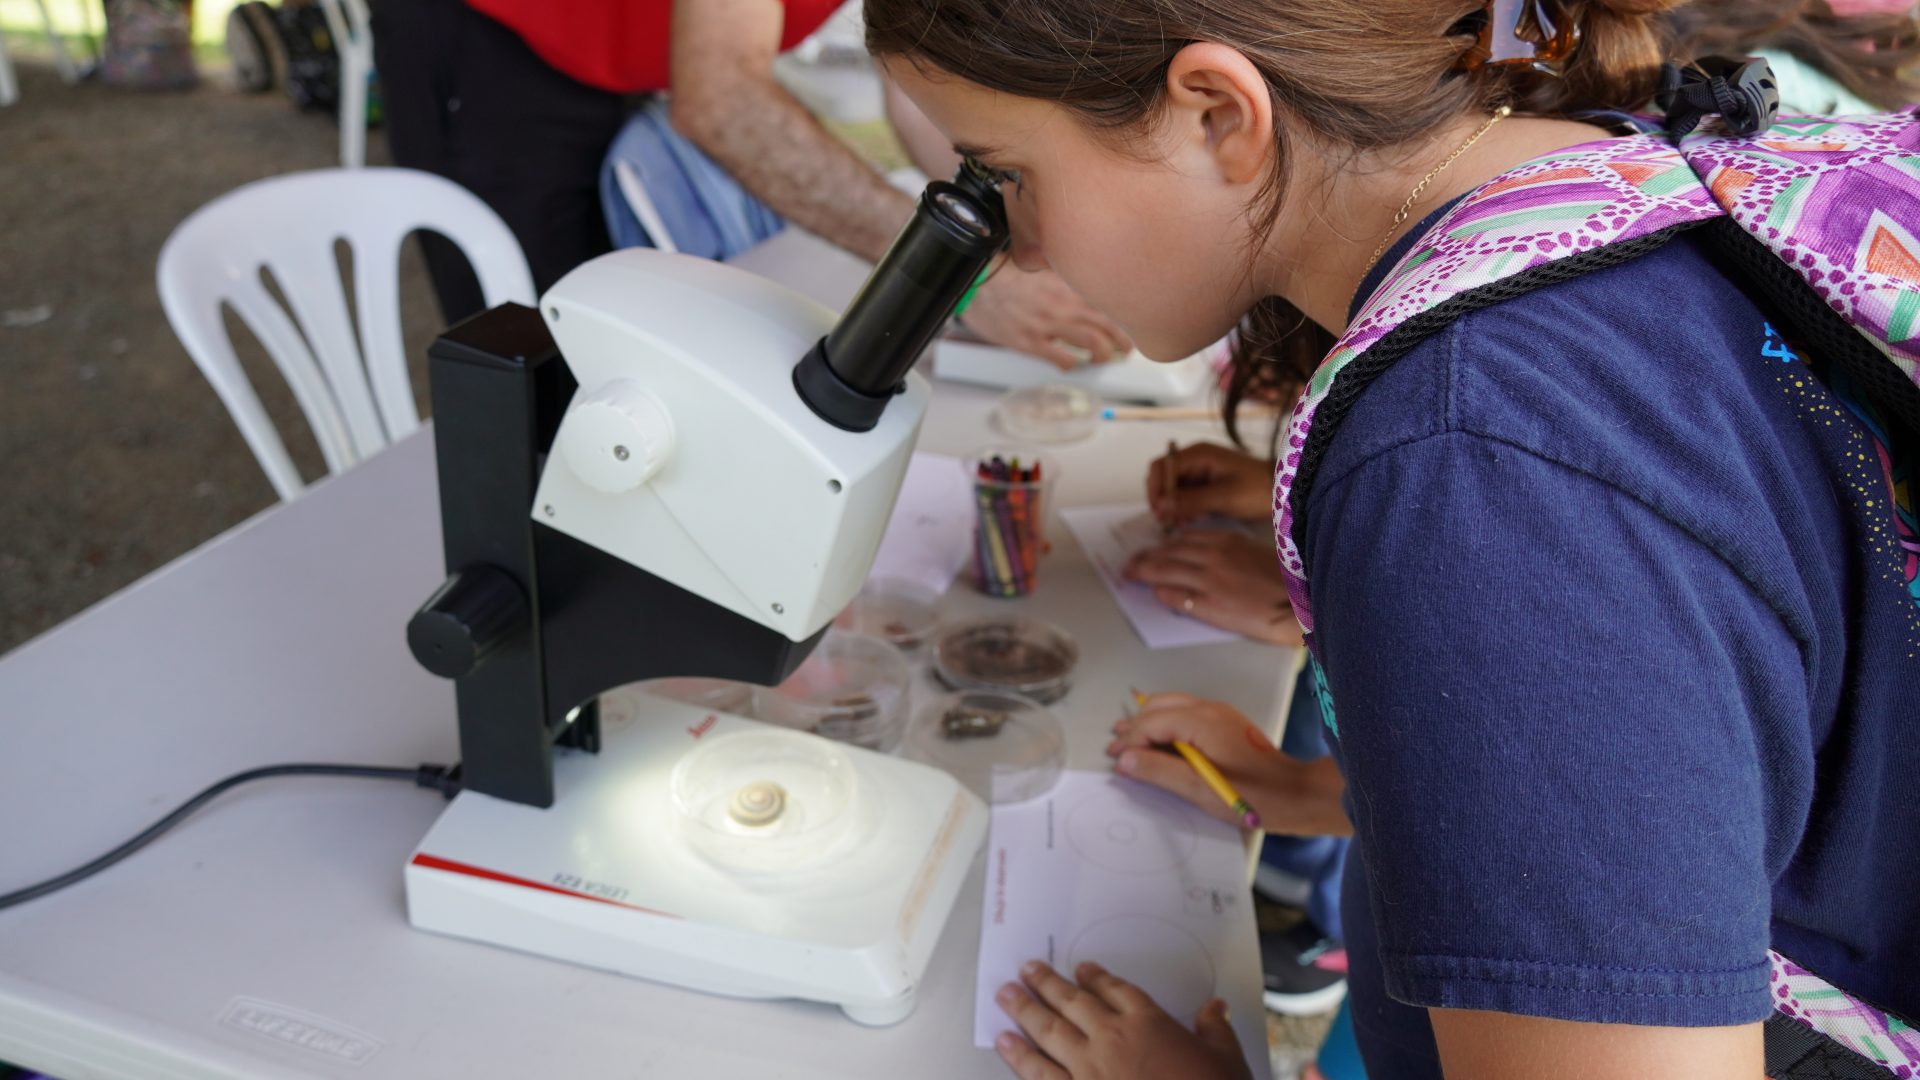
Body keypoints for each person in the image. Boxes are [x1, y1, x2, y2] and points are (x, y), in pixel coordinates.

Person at [864, 0, 1920, 1077]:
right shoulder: (1604, 173)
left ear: (1219, 113)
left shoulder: (1476, 467)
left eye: (1013, 174)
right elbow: (1697, 761)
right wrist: (1342, 792)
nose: (1022, 245)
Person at [370, 0, 1128, 368]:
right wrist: (965, 283)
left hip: (621, 47)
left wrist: (1031, 229)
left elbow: (919, 90)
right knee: (537, 377)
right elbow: (723, 103)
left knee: (620, 367)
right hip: (489, 39)